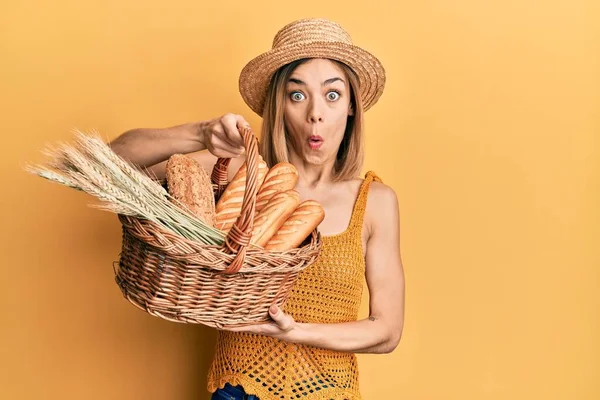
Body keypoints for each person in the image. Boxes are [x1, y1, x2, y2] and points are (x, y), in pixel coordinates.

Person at [110, 17, 405, 400]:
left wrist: (295, 331)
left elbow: (387, 331)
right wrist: (199, 133)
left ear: (351, 107)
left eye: (332, 95)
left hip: (329, 392)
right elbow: (112, 162)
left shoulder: (375, 201)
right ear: (278, 106)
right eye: (297, 95)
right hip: (237, 390)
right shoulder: (243, 174)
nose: (315, 112)